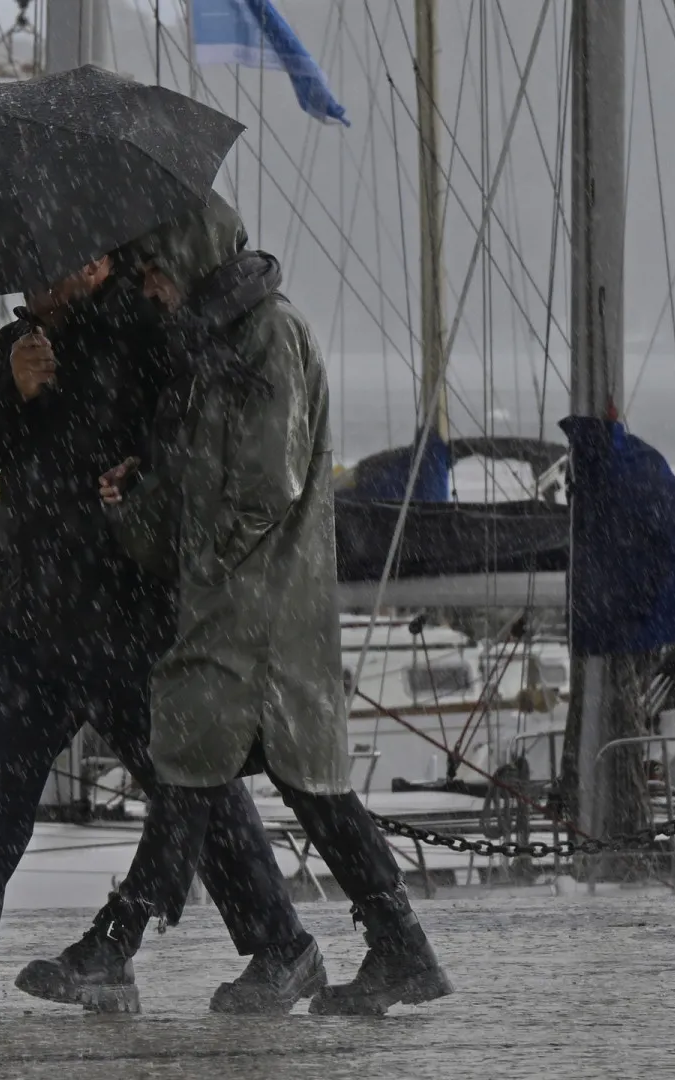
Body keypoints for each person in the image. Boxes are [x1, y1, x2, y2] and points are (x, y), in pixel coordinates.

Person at [0, 248, 322, 1016]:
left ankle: (282, 947)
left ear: (96, 265)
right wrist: (12, 389)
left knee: (189, 782)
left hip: (128, 610)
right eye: (26, 269)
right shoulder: (22, 344)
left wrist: (147, 474)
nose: (30, 281)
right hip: (35, 612)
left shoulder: (143, 330)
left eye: (50, 267)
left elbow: (202, 428)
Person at [95, 193, 454, 1017]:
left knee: (206, 766)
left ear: (186, 259)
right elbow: (201, 491)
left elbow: (267, 482)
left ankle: (117, 939)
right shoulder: (207, 351)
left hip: (263, 613)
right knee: (297, 783)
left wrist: (201, 540)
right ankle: (399, 947)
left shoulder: (269, 337)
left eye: (153, 270)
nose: (147, 288)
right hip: (234, 607)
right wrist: (134, 501)